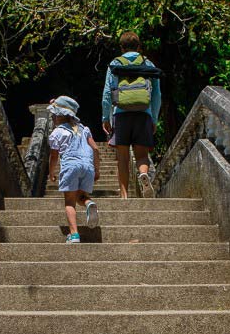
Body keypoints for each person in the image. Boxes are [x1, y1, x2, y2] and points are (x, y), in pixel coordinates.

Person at [101, 31, 161, 198]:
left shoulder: (115, 64)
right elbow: (157, 95)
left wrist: (106, 118)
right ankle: (143, 174)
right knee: (142, 155)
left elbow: (107, 94)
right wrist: (153, 119)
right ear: (139, 46)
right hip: (143, 113)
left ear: (122, 47)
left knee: (122, 158)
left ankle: (124, 195)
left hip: (121, 114)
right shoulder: (148, 63)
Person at [47, 96, 101, 243]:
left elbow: (54, 156)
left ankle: (74, 234)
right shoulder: (84, 129)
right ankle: (89, 203)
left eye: (54, 115)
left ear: (59, 116)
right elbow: (95, 149)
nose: (52, 117)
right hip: (87, 166)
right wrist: (96, 169)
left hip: (71, 165)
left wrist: (51, 172)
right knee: (80, 196)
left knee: (69, 202)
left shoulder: (57, 133)